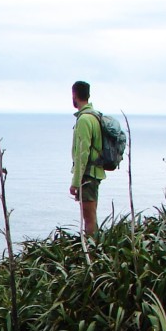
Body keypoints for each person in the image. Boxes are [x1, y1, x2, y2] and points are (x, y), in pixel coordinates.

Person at [70, 80, 105, 235]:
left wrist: (76, 182)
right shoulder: (94, 116)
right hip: (95, 172)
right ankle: (94, 249)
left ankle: (91, 252)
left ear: (74, 95)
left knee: (88, 218)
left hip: (88, 175)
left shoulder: (84, 119)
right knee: (92, 215)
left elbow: (82, 154)